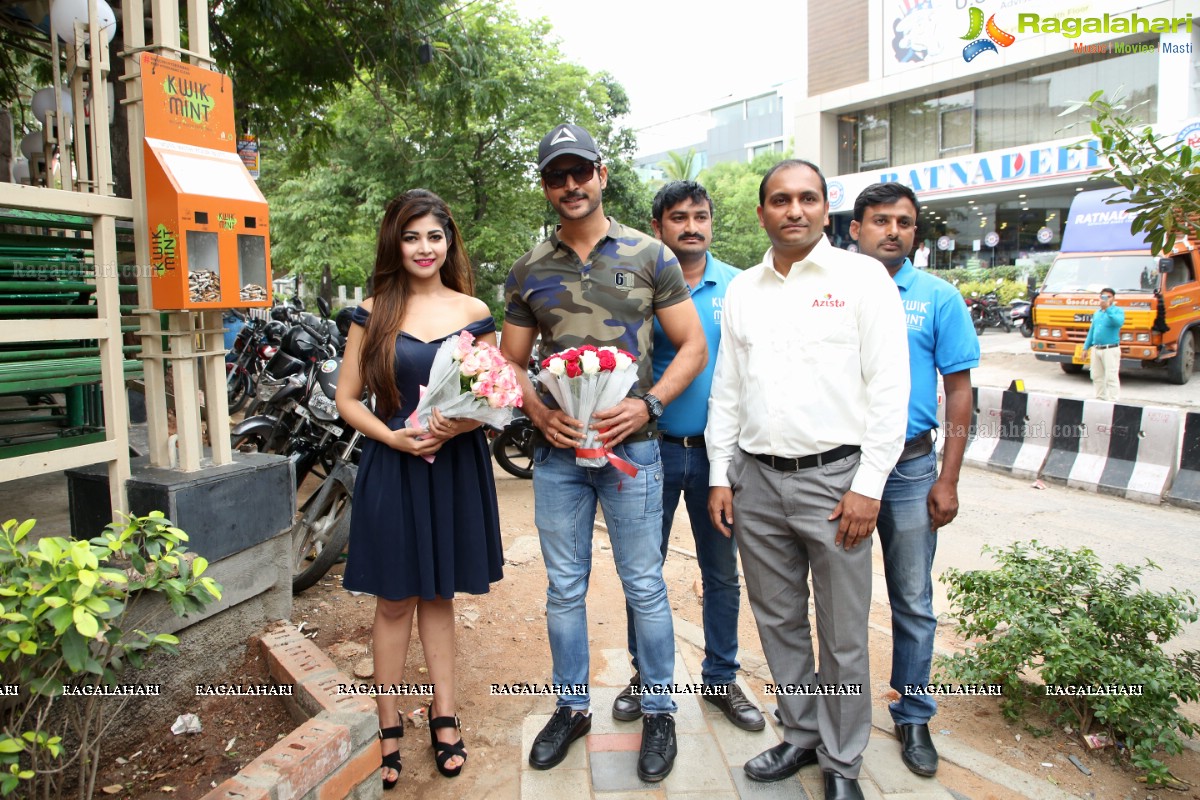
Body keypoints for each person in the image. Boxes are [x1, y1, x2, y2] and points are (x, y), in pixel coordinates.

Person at [500, 123, 706, 783]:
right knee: (565, 588)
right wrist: (538, 413)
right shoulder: (530, 269)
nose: (570, 185)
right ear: (546, 186)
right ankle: (572, 706)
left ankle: (660, 710)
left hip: (634, 453)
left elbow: (693, 348)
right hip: (559, 459)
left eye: (580, 172)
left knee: (644, 585)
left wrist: (647, 405)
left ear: (602, 175)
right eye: (557, 175)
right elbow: (508, 367)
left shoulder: (651, 255)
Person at [706, 159, 909, 800]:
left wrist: (869, 485)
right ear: (762, 212)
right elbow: (728, 390)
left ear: (827, 209)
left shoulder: (861, 279)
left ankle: (844, 761)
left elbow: (890, 389)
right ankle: (799, 734)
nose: (794, 210)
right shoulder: (743, 290)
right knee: (778, 620)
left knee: (844, 633)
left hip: (836, 483)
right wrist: (720, 474)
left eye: (807, 199)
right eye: (780, 200)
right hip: (756, 482)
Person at [335, 189, 504, 789]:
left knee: (439, 597)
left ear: (449, 242)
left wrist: (464, 420)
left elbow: (496, 397)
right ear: (394, 242)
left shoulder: (473, 308)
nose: (425, 247)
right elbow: (346, 399)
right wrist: (393, 436)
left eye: (435, 236)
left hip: (453, 467)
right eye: (412, 237)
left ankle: (445, 714)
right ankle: (387, 723)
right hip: (394, 464)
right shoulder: (373, 310)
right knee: (393, 600)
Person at [611, 180, 763, 732]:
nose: (691, 225)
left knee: (721, 572)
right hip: (650, 451)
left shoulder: (742, 288)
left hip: (722, 459)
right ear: (658, 227)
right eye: (678, 217)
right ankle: (646, 676)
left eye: (700, 215)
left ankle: (721, 678)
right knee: (642, 572)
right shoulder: (639, 285)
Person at [849, 182, 979, 778]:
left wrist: (947, 478)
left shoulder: (937, 297)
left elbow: (958, 392)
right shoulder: (831, 290)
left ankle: (913, 713)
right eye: (880, 220)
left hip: (909, 466)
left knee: (913, 597)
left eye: (903, 222)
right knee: (838, 599)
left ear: (916, 235)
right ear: (855, 229)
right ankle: (837, 712)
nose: (892, 230)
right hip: (841, 465)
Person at [1082, 287, 1124, 401]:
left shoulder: (1117, 311)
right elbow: (1092, 331)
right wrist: (1086, 347)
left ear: (1113, 298)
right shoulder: (1097, 313)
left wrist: (1108, 309)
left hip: (1110, 349)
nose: (1106, 299)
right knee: (1096, 376)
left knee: (1111, 376)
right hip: (1097, 349)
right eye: (1103, 297)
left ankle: (1114, 400)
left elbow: (1118, 322)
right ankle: (1100, 398)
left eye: (1109, 297)